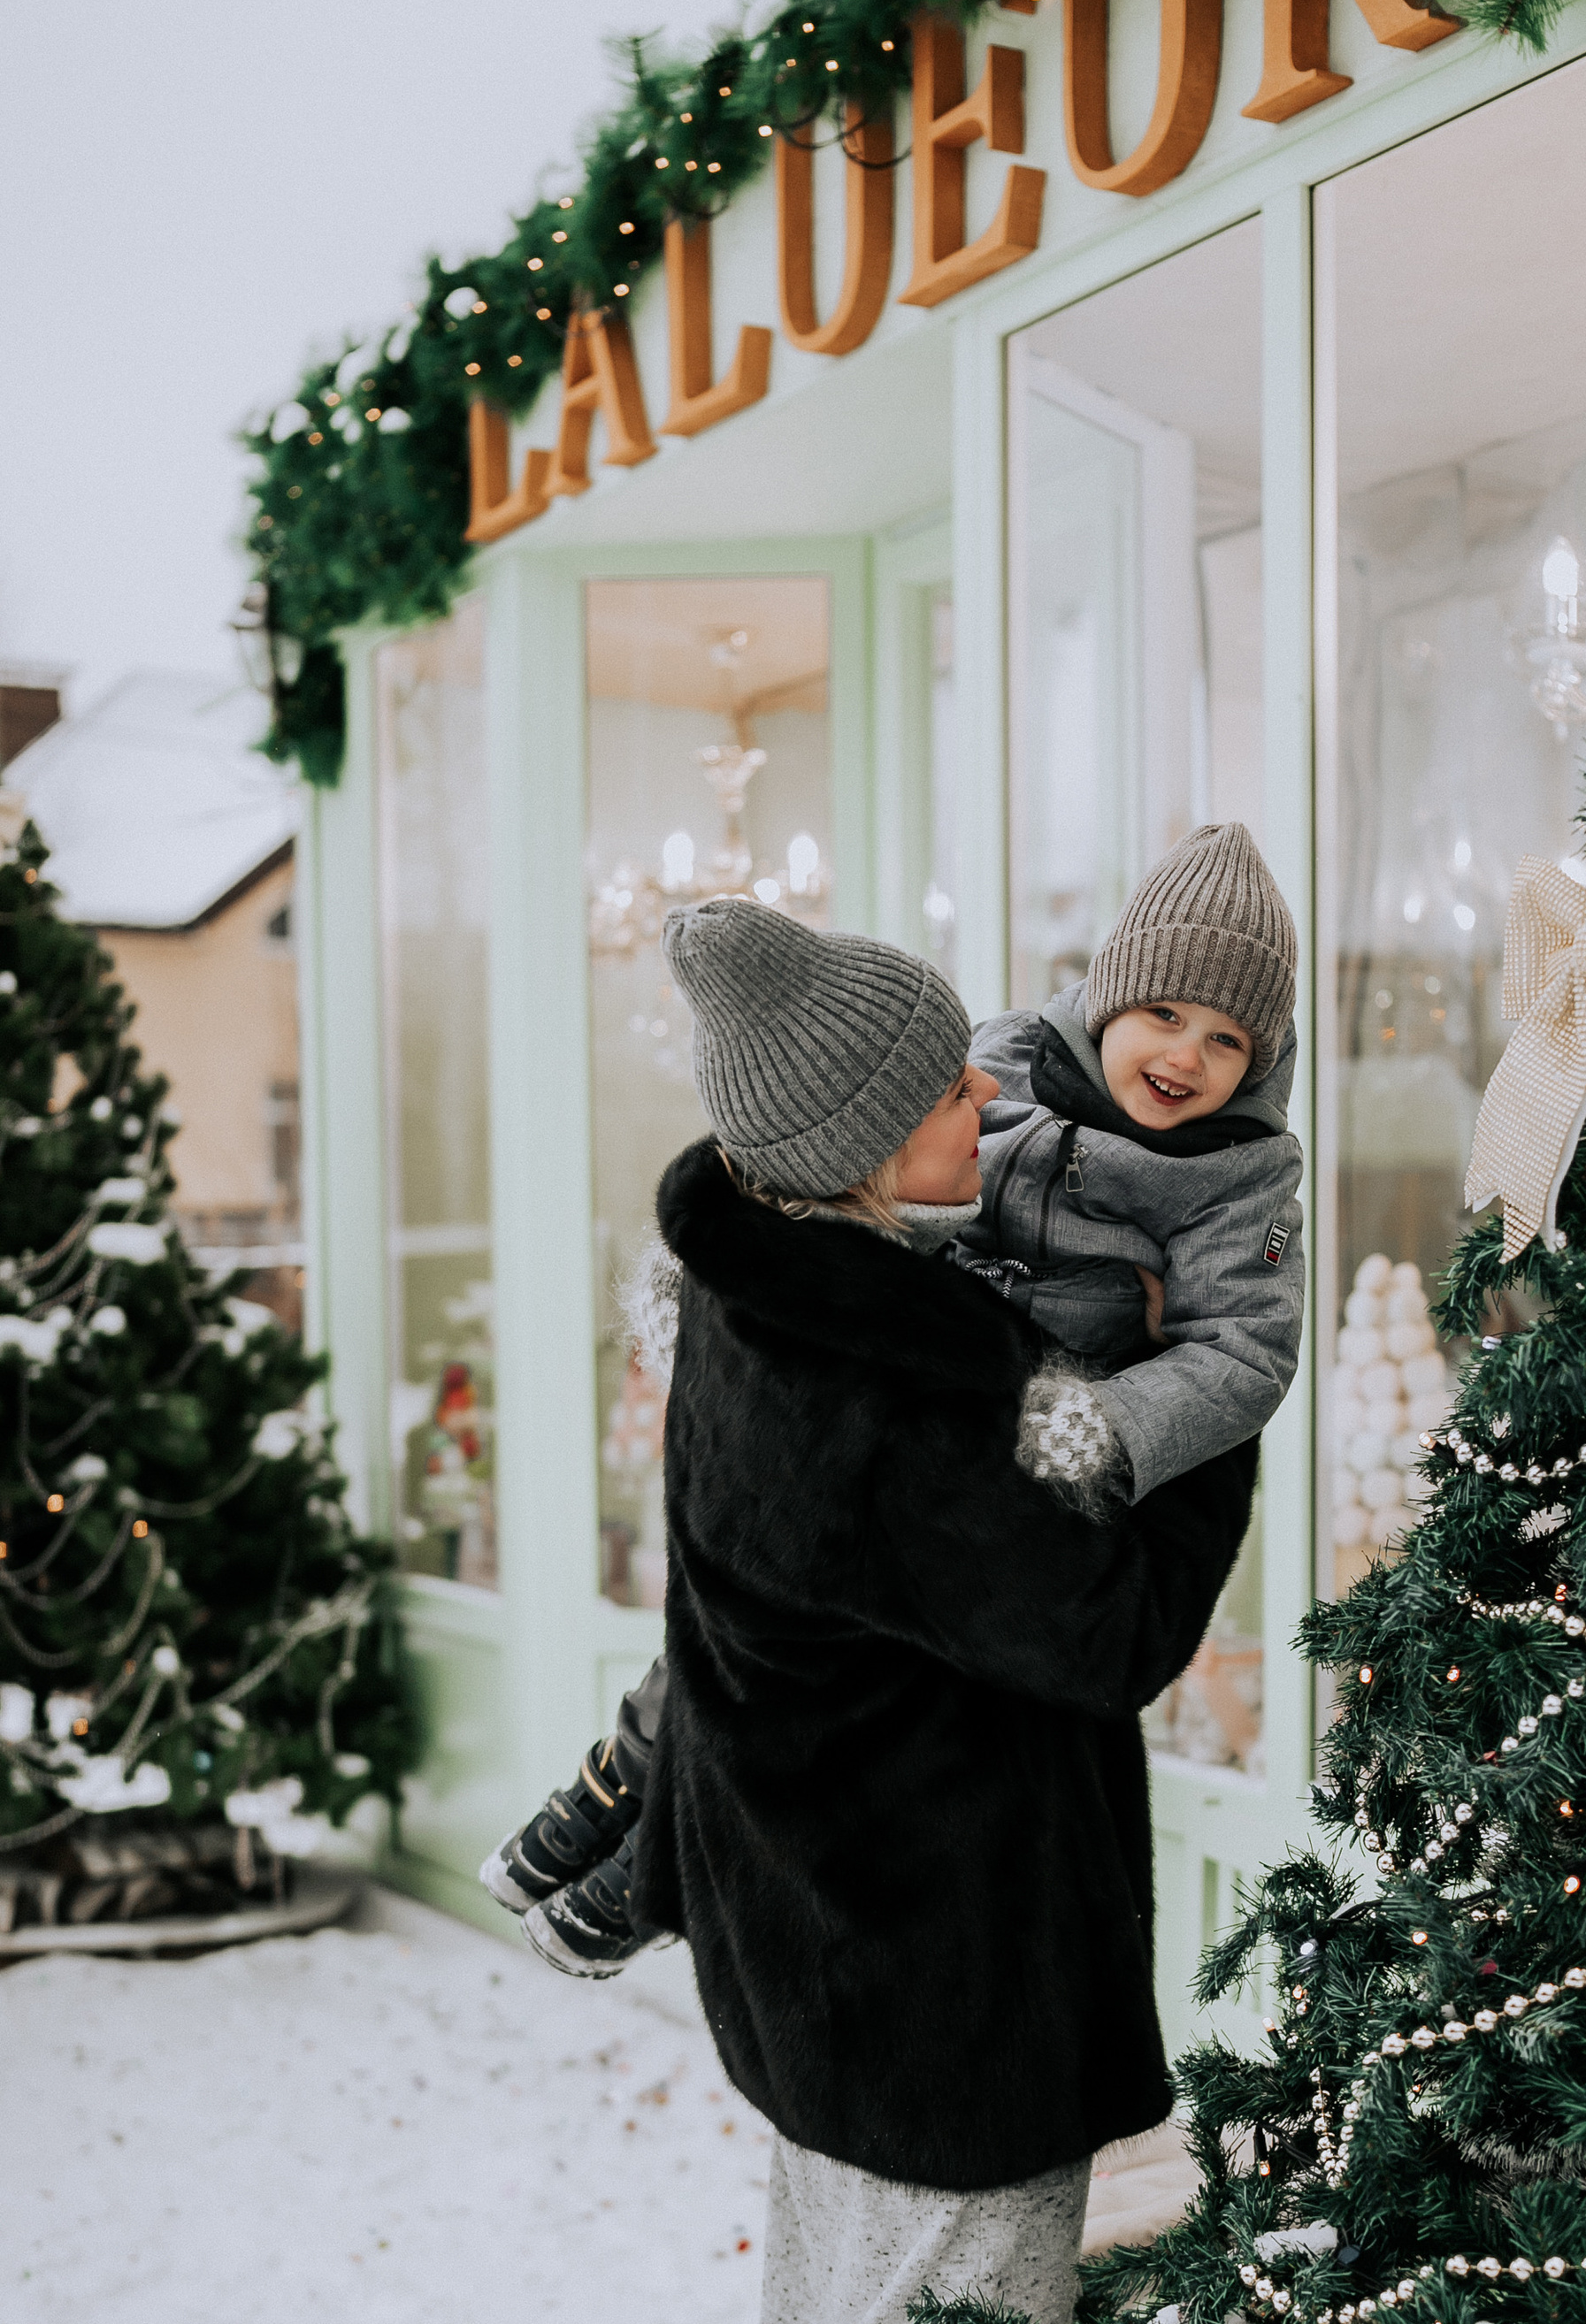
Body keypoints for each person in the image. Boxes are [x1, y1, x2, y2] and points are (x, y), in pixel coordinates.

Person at [522, 910, 1258, 2324]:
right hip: (933, 1956)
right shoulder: (876, 1384)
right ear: (848, 1142)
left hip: (842, 1924)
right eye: (944, 1087)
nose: (989, 1099)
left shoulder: (799, 1296)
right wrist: (1215, 1386)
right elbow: (1101, 1622)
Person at [482, 820, 1303, 1971]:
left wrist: (1107, 1434)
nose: (1188, 1055)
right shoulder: (1008, 1056)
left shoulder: (1241, 1181)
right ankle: (607, 1795)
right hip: (922, 1390)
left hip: (1042, 1434)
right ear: (1107, 997)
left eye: (1229, 1038)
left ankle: (632, 1866)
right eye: (1164, 1013)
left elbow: (1244, 1357)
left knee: (782, 1660)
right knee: (738, 1649)